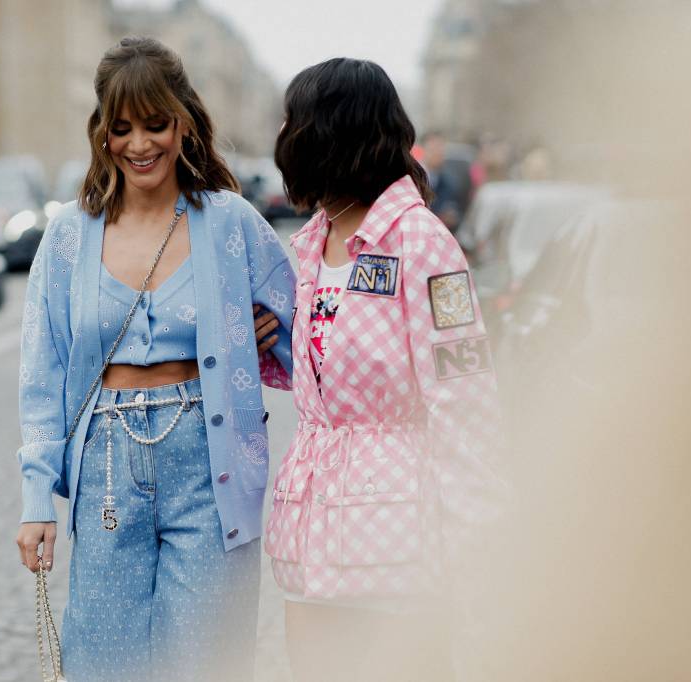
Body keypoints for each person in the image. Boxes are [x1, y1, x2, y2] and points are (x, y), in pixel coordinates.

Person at [14, 36, 295, 682]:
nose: (140, 145)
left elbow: (304, 328)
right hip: (107, 467)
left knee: (207, 662)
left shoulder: (230, 224)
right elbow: (42, 375)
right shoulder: (67, 237)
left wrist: (258, 337)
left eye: (156, 124)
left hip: (208, 459)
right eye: (122, 128)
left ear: (183, 124)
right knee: (105, 660)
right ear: (103, 134)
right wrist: (36, 500)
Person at [264, 58, 506, 681]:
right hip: (311, 543)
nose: (283, 132)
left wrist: (478, 541)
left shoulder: (422, 243)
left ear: (331, 130)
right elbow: (324, 369)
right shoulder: (312, 244)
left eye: (295, 119)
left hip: (399, 539)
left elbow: (465, 390)